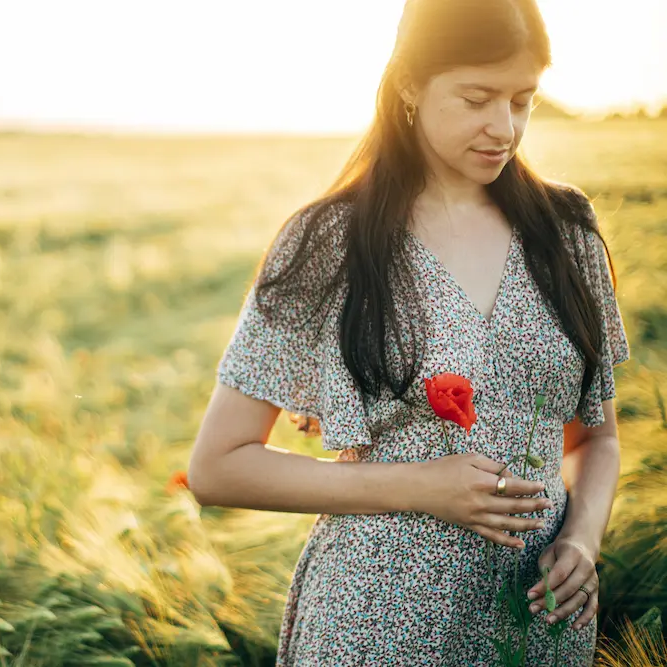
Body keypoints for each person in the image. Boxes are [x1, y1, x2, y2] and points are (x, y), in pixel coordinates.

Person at [186, 0, 631, 664]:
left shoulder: (566, 232)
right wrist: (420, 484)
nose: (504, 127)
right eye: (477, 98)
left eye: (523, 99)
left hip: (534, 625)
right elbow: (217, 465)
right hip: (378, 623)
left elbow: (596, 436)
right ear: (408, 87)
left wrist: (582, 540)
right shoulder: (328, 241)